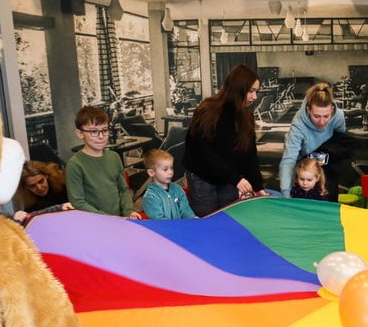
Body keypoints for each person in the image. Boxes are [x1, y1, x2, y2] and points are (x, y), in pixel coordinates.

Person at [184, 64, 266, 216]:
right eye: (251, 91)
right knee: (206, 220)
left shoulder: (246, 116)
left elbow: (250, 153)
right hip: (203, 176)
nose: (255, 97)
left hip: (229, 178)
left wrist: (257, 185)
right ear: (237, 89)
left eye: (256, 91)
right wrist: (236, 179)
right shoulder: (208, 110)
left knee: (229, 217)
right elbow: (202, 153)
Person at [65, 106, 141, 218]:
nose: (101, 136)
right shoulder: (75, 164)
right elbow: (78, 202)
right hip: (94, 224)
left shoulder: (114, 157)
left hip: (120, 221)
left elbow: (123, 189)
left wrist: (129, 211)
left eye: (104, 130)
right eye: (94, 131)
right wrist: (107, 218)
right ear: (80, 134)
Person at [279, 82, 347, 200]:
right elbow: (289, 160)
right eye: (316, 116)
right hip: (305, 160)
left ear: (332, 109)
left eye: (326, 116)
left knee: (329, 196)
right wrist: (285, 193)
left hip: (327, 159)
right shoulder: (298, 124)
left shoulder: (338, 116)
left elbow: (340, 142)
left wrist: (329, 156)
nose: (321, 122)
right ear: (308, 110)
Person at [141, 149, 195, 219]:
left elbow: (185, 209)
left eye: (171, 168)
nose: (170, 172)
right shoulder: (150, 197)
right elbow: (159, 220)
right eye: (165, 169)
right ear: (151, 172)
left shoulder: (178, 188)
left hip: (179, 228)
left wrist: (193, 218)